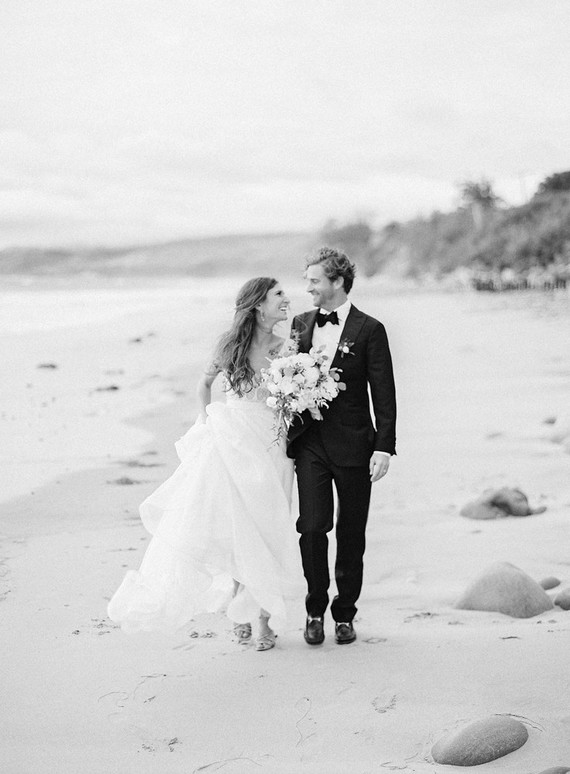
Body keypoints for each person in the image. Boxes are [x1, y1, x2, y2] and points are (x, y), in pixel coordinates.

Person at [107, 277, 301, 651]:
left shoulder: (287, 347)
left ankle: (261, 615)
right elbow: (204, 385)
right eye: (279, 294)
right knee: (239, 526)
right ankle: (247, 612)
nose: (286, 300)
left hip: (273, 444)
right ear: (259, 304)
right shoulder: (230, 345)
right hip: (232, 438)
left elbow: (291, 396)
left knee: (268, 527)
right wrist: (206, 420)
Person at [287, 247, 396, 646]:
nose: (308, 288)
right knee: (312, 528)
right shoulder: (299, 324)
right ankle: (315, 608)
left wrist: (384, 447)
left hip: (355, 447)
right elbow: (287, 378)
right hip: (310, 445)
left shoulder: (370, 329)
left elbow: (384, 394)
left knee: (352, 534)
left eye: (314, 281)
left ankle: (345, 614)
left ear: (337, 282)